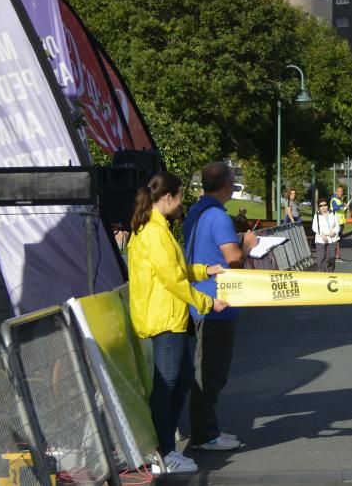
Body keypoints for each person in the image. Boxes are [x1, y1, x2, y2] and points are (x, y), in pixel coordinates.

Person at [127, 172, 228, 474]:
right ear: (168, 198)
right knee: (167, 384)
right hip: (163, 317)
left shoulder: (159, 228)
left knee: (181, 381)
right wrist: (208, 302)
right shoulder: (153, 231)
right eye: (181, 196)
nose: (183, 202)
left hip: (173, 315)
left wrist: (204, 270)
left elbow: (177, 269)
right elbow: (172, 278)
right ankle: (164, 452)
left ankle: (166, 450)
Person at [184, 162, 257, 454]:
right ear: (227, 185)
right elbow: (234, 260)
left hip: (200, 299)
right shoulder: (218, 217)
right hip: (218, 302)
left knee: (207, 367)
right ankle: (204, 434)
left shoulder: (195, 212)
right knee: (212, 369)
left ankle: (206, 429)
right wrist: (248, 244)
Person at [311, 199, 340, 271]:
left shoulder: (333, 213)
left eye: (325, 205)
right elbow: (314, 227)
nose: (323, 207)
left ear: (328, 205)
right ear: (319, 207)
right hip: (321, 239)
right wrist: (322, 234)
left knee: (331, 257)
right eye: (321, 205)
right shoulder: (316, 215)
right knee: (321, 259)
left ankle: (330, 271)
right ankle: (322, 274)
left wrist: (334, 231)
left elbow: (337, 226)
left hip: (332, 239)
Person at [330, 186, 347, 263]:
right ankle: (337, 256)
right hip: (336, 223)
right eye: (339, 191)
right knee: (337, 240)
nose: (341, 193)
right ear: (336, 192)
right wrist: (342, 205)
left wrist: (344, 207)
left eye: (342, 191)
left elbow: (339, 210)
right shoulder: (334, 199)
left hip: (341, 222)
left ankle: (336, 256)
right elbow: (335, 208)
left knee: (338, 240)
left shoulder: (339, 199)